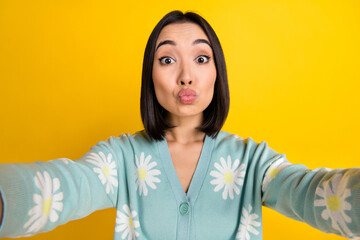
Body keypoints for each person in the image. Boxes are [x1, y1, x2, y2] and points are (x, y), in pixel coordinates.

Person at [0, 10, 359, 240]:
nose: (186, 76)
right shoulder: (120, 159)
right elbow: (66, 186)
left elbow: (312, 193)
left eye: (201, 58)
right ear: (150, 76)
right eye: (168, 59)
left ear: (217, 72)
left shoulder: (253, 162)